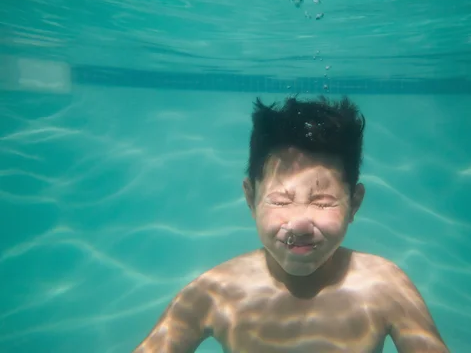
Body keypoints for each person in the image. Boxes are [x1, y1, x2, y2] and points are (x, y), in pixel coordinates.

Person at [133, 96, 449, 353]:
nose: (299, 223)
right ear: (250, 198)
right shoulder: (215, 292)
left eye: (322, 201)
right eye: (281, 201)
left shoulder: (384, 287)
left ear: (354, 203)